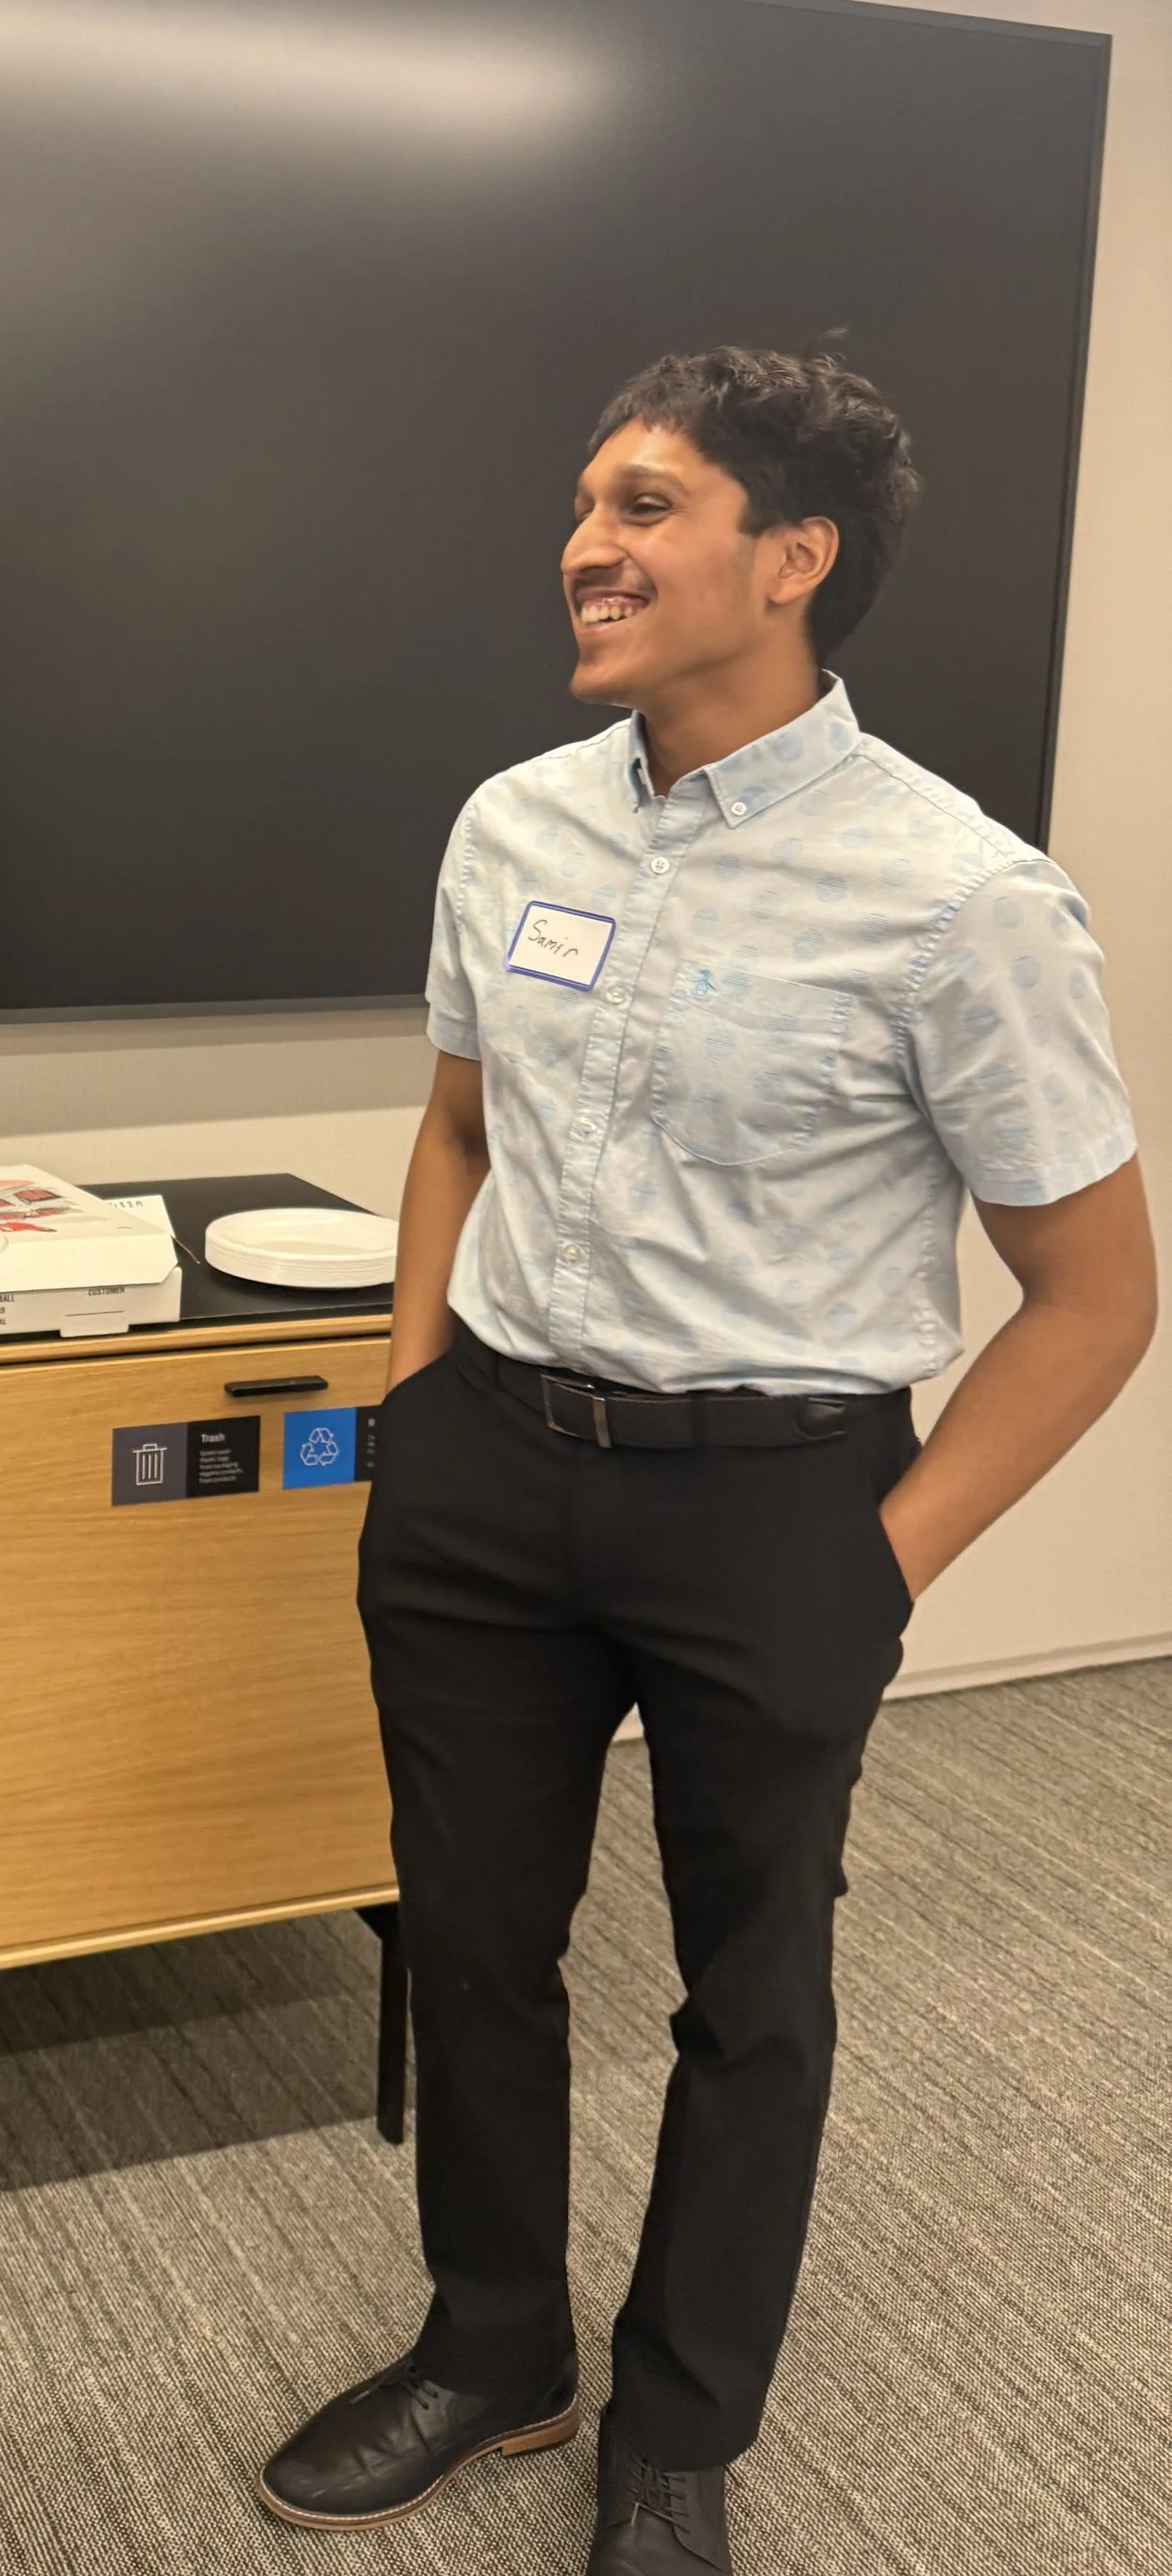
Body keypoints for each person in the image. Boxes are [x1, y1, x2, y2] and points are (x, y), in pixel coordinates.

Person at [257, 348, 1155, 2571]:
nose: (586, 542)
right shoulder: (512, 823)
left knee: (748, 1985)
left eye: (645, 504)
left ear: (792, 557)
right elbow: (458, 1127)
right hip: (484, 1474)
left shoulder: (957, 895)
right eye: (582, 501)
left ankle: (678, 2418)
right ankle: (493, 2346)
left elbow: (1094, 1294)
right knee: (465, 1937)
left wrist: (887, 1555)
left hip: (777, 1507)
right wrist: (406, 1384)